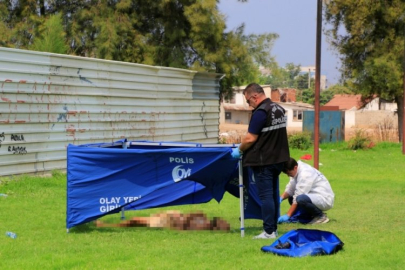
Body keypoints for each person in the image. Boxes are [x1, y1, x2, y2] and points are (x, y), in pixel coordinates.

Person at [231, 83, 290, 239]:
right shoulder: (278, 109)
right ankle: (273, 229)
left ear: (255, 96)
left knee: (265, 196)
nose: (249, 105)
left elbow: (250, 138)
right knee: (272, 195)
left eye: (248, 101)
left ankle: (269, 231)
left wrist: (239, 150)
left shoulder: (261, 112)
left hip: (264, 161)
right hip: (279, 159)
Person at [278, 157, 335, 224]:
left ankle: (321, 216)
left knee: (300, 199)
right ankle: (309, 216)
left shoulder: (305, 174)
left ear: (295, 167)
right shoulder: (297, 170)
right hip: (313, 196)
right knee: (291, 197)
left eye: (289, 173)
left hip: (324, 198)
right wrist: (280, 198)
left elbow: (298, 197)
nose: (288, 176)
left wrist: (288, 215)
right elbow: (290, 189)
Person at [95, 210, 230, 231]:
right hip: (171, 217)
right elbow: (188, 216)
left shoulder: (202, 227)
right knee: (136, 221)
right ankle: (105, 224)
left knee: (135, 221)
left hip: (168, 221)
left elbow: (182, 227)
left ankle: (106, 225)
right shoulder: (202, 218)